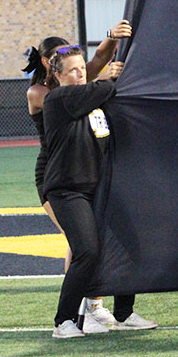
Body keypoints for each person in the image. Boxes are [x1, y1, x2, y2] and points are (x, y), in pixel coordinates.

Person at [23, 21, 131, 332]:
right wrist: (103, 80)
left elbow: (96, 64)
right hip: (55, 173)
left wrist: (111, 38)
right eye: (68, 63)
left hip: (84, 168)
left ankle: (94, 307)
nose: (80, 70)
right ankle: (78, 313)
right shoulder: (42, 93)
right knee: (81, 242)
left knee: (94, 240)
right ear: (50, 65)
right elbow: (91, 83)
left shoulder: (79, 83)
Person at [42, 45, 156, 338]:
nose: (80, 74)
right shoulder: (58, 99)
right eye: (73, 70)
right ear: (58, 76)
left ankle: (124, 312)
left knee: (131, 243)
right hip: (67, 191)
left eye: (82, 68)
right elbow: (99, 90)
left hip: (99, 189)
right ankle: (63, 321)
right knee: (87, 251)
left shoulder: (94, 101)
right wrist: (112, 77)